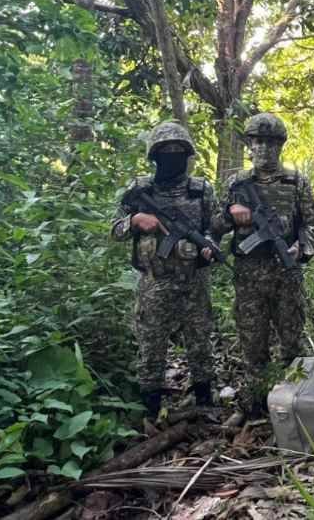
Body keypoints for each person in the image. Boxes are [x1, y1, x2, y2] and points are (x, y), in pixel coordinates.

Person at [212, 113, 314, 409]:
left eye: (271, 143)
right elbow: (214, 225)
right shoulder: (236, 183)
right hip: (249, 276)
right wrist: (231, 215)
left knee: (292, 342)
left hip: (286, 274)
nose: (264, 148)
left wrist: (301, 247)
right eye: (258, 142)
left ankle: (295, 404)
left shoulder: (295, 182)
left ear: (280, 146)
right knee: (252, 343)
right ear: (250, 145)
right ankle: (257, 403)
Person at [111, 121, 219, 418]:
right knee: (151, 345)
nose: (172, 158)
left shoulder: (202, 190)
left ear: (187, 155)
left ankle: (204, 402)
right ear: (154, 156)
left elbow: (215, 227)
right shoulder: (139, 190)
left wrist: (208, 245)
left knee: (200, 342)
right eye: (166, 152)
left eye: (178, 152)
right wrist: (134, 221)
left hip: (195, 280)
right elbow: (115, 229)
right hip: (154, 281)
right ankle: (150, 408)